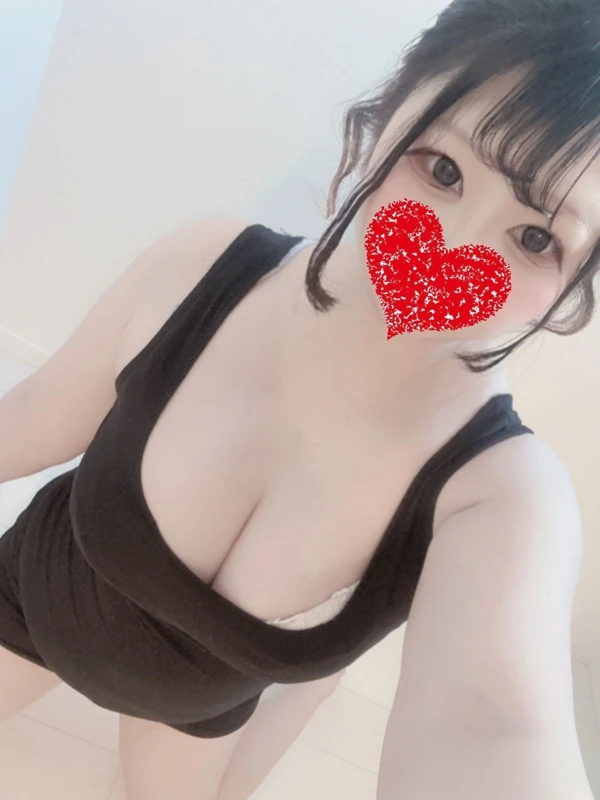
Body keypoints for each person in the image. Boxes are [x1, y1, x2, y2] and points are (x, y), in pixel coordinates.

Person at [0, 0, 599, 798]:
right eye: (443, 169)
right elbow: (29, 420)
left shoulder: (499, 499)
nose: (456, 245)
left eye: (536, 239)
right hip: (29, 602)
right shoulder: (201, 266)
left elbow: (492, 722)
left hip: (196, 715)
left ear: (577, 287)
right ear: (389, 110)